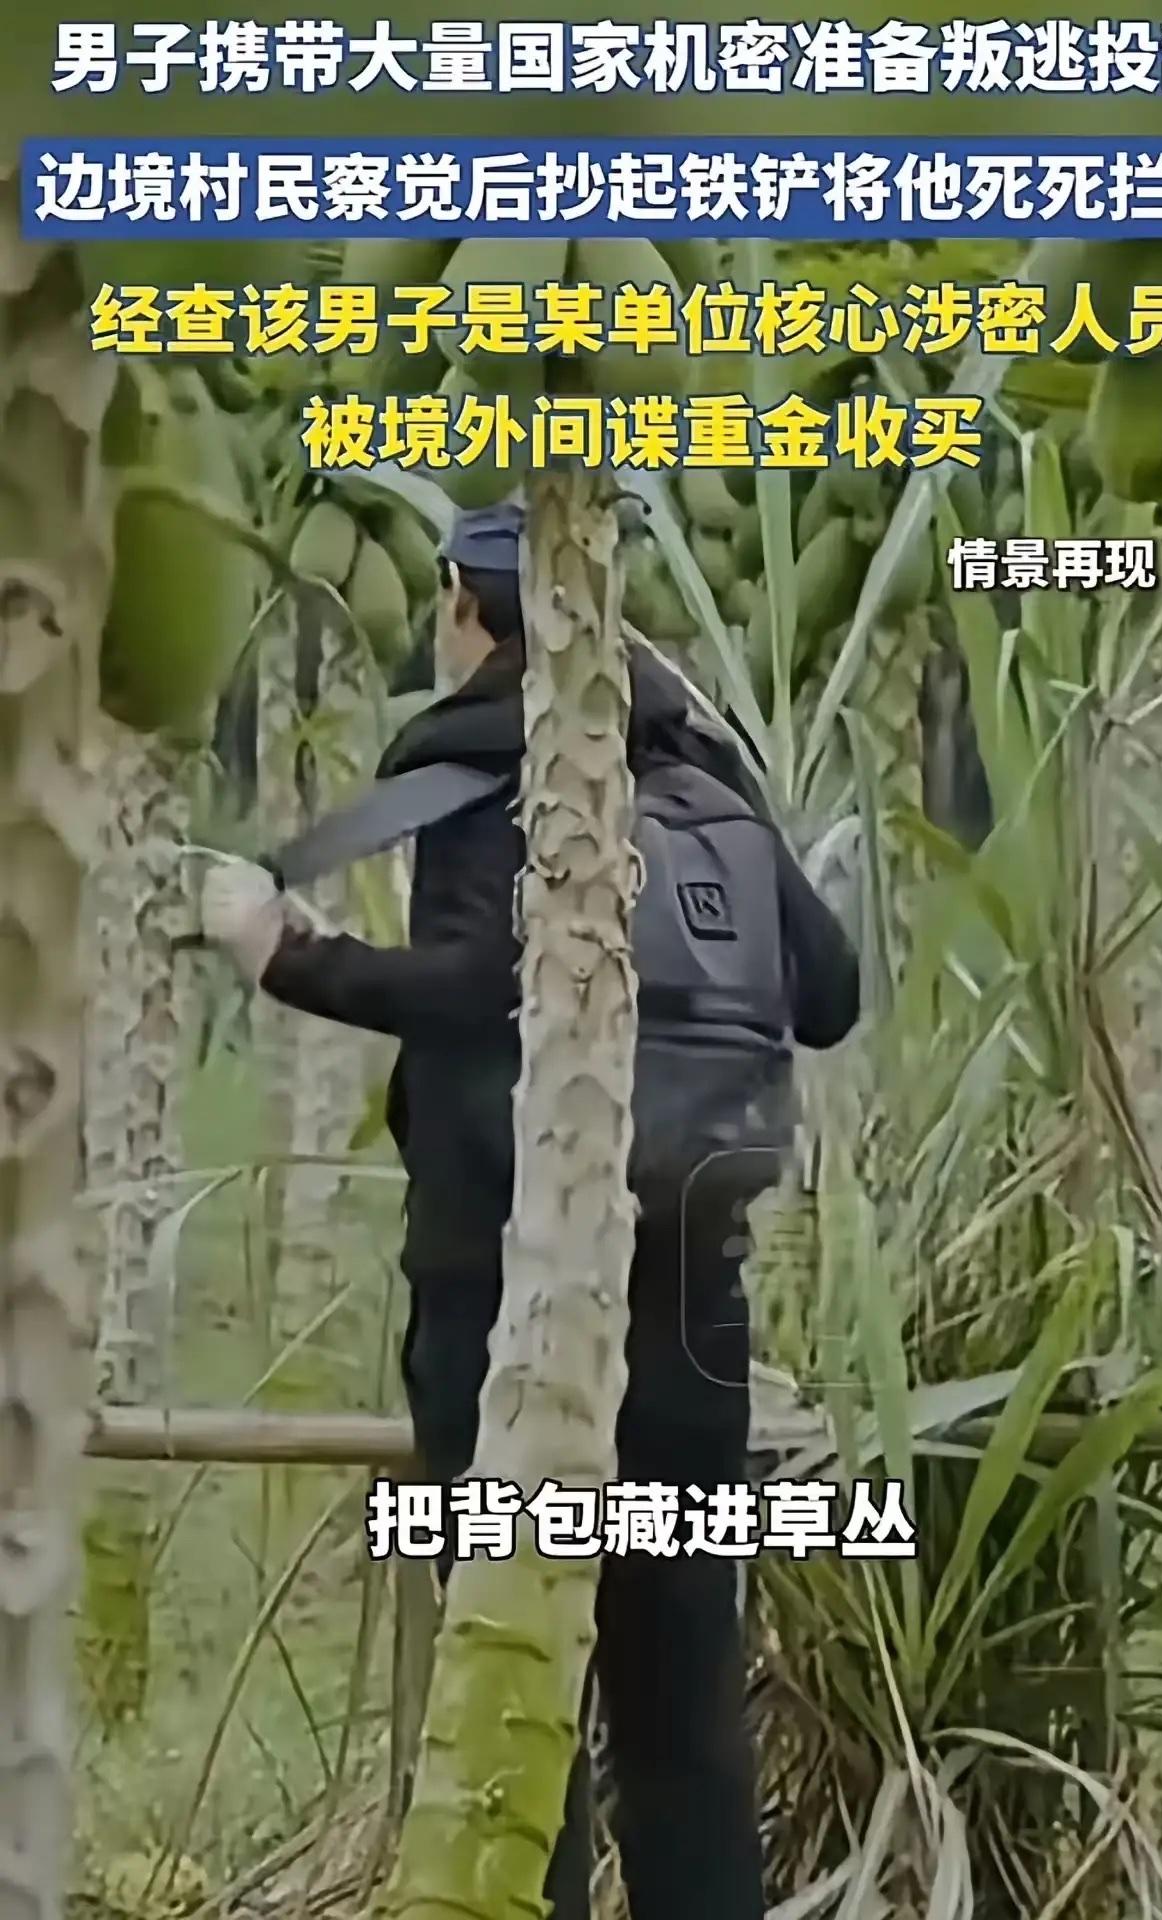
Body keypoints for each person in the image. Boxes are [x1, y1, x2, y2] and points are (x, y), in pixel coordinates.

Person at [200, 500, 861, 1920]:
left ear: (462, 603)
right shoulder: (705, 773)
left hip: (510, 1312)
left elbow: (465, 986)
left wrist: (285, 955)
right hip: (692, 1320)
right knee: (685, 1724)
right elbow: (832, 994)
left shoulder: (467, 765)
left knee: (519, 1710)